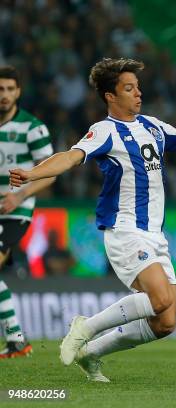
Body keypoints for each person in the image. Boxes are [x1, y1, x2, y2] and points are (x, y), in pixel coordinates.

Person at [9, 58, 176, 381]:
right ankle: (84, 328)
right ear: (110, 95)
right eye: (129, 89)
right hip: (125, 230)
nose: (138, 94)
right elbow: (69, 158)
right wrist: (32, 173)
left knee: (165, 322)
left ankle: (91, 354)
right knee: (159, 299)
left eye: (138, 87)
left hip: (154, 235)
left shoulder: (152, 126)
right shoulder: (104, 131)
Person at [0, 65, 56, 359]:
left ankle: (17, 341)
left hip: (14, 212)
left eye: (10, 89)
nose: (5, 95)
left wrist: (18, 195)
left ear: (18, 91)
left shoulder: (32, 128)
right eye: (0, 89)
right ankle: (17, 341)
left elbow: (49, 173)